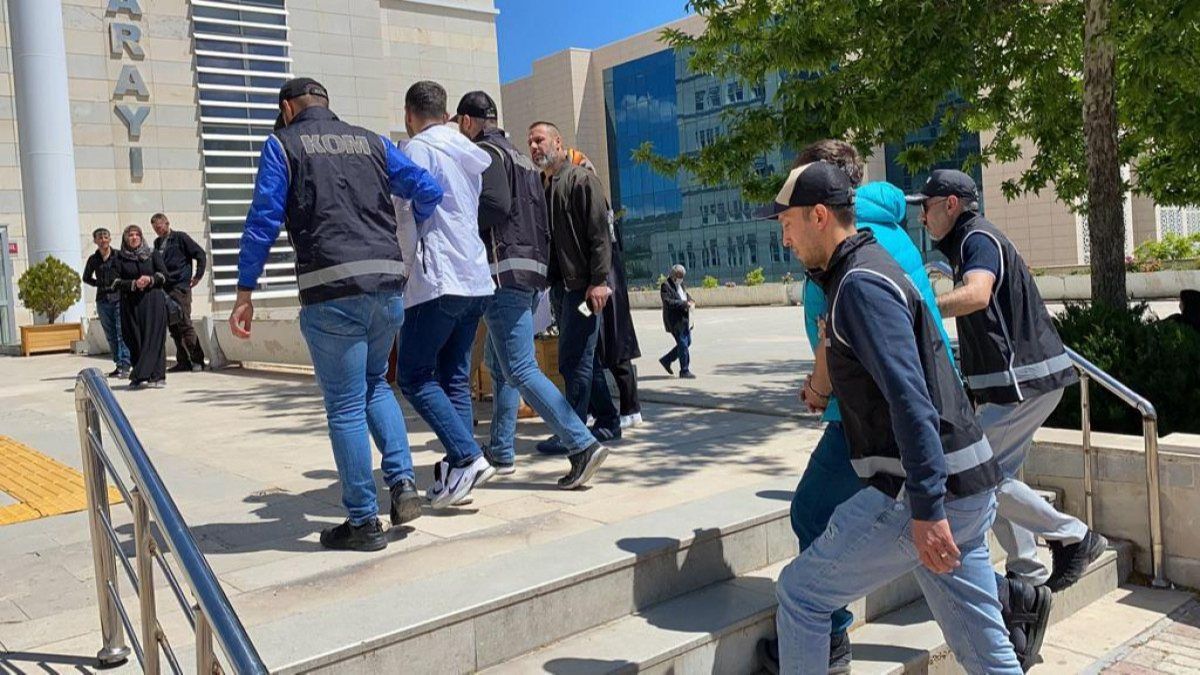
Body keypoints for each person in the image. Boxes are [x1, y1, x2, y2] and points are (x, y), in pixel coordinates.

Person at [759, 142, 1050, 673]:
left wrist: (927, 509)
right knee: (988, 656)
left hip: (923, 490)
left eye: (787, 224)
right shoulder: (871, 265)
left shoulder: (859, 284)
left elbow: (910, 400)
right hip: (964, 481)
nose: (784, 238)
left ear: (819, 216)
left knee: (801, 595)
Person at [230, 77, 443, 551]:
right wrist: (412, 227)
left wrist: (245, 290)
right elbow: (427, 188)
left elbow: (263, 218)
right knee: (375, 385)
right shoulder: (373, 142)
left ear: (288, 109)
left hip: (331, 290)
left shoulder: (283, 145)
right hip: (386, 285)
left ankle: (364, 521)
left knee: (345, 404)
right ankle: (403, 483)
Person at [914, 169, 1108, 591]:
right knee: (997, 476)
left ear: (951, 204)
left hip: (1023, 384)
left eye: (926, 208)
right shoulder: (969, 241)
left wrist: (921, 309)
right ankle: (1027, 570)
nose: (922, 218)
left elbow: (977, 294)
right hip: (1019, 384)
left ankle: (1074, 535)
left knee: (976, 474)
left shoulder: (976, 239)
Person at [453, 92, 608, 488]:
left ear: (467, 122)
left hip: (503, 273)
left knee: (520, 367)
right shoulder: (522, 160)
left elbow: (493, 207)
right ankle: (501, 450)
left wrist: (459, 221)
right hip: (527, 273)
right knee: (500, 365)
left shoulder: (486, 153)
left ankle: (581, 444)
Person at [393, 81, 496, 509]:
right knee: (454, 376)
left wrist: (401, 272)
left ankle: (468, 456)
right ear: (447, 114)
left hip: (437, 278)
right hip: (474, 277)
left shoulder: (417, 150)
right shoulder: (467, 153)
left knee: (413, 376)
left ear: (409, 115)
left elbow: (405, 218)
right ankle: (459, 471)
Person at [526, 121, 614, 489]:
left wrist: (600, 281)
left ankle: (573, 432)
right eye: (530, 141)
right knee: (584, 356)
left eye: (540, 139)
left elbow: (600, 234)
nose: (534, 146)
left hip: (585, 290)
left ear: (558, 141)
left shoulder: (580, 180)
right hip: (563, 289)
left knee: (572, 359)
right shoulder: (545, 184)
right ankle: (608, 420)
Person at [111, 225, 169, 389]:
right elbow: (113, 283)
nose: (134, 237)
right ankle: (141, 374)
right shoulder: (119, 259)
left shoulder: (152, 254)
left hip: (153, 302)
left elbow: (164, 276)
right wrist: (133, 284)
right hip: (131, 304)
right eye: (131, 235)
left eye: (137, 234)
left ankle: (157, 375)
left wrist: (150, 280)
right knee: (134, 338)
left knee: (154, 337)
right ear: (125, 238)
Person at [151, 213, 208, 372]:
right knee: (173, 327)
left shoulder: (180, 238)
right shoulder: (157, 243)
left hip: (180, 287)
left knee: (185, 324)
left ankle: (198, 360)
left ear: (167, 223)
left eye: (159, 226)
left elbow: (200, 254)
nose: (158, 230)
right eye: (155, 228)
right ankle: (183, 361)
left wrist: (198, 276)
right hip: (164, 288)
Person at [83, 228, 131, 378]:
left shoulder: (119, 256)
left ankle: (126, 364)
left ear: (110, 239)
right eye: (100, 238)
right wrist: (99, 283)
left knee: (122, 333)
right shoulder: (93, 259)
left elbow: (128, 273)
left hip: (119, 298)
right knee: (110, 334)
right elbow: (86, 277)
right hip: (103, 300)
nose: (103, 240)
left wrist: (121, 285)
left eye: (105, 237)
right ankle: (118, 364)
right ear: (95, 241)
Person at [658, 264, 695, 379]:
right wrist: (684, 304)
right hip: (674, 321)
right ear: (673, 275)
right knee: (683, 344)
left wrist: (690, 301)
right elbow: (667, 302)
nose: (681, 278)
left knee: (687, 342)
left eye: (682, 276)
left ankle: (666, 360)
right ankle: (684, 370)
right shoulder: (666, 285)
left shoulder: (681, 285)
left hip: (685, 319)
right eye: (679, 276)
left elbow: (685, 296)